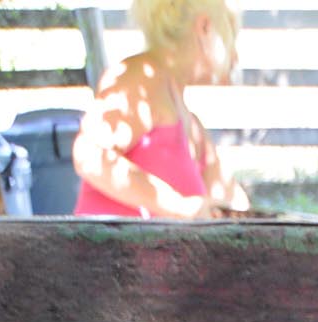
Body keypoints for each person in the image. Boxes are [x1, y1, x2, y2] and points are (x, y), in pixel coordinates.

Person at [72, 0, 247, 220]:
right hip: (107, 252)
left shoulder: (192, 125)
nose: (236, 56)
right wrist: (179, 206)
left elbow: (235, 206)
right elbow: (90, 154)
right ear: (205, 27)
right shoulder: (139, 78)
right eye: (231, 34)